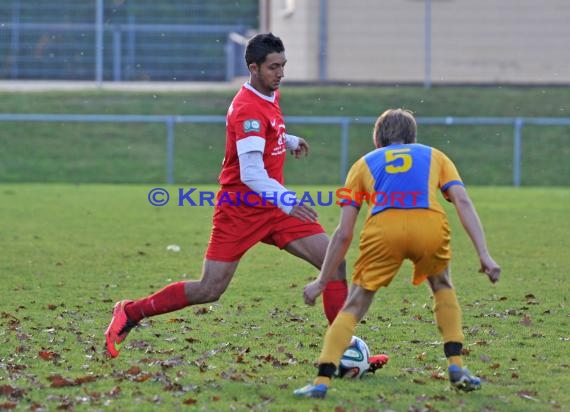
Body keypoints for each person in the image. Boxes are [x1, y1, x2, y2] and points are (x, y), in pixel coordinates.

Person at [104, 33, 348, 358]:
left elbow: (264, 130)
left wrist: (286, 140)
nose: (281, 73)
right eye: (274, 67)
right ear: (253, 67)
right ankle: (130, 312)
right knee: (210, 289)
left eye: (283, 66)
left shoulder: (267, 94)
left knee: (335, 264)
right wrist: (287, 200)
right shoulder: (247, 109)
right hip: (241, 209)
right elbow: (250, 173)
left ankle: (341, 355)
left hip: (274, 209)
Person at [293, 108, 501, 398]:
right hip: (428, 224)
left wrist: (322, 282)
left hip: (383, 230)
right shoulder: (434, 155)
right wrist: (484, 254)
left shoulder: (363, 164)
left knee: (355, 305)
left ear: (378, 140)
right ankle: (456, 364)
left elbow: (343, 233)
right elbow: (462, 202)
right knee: (442, 286)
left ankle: (321, 382)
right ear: (413, 137)